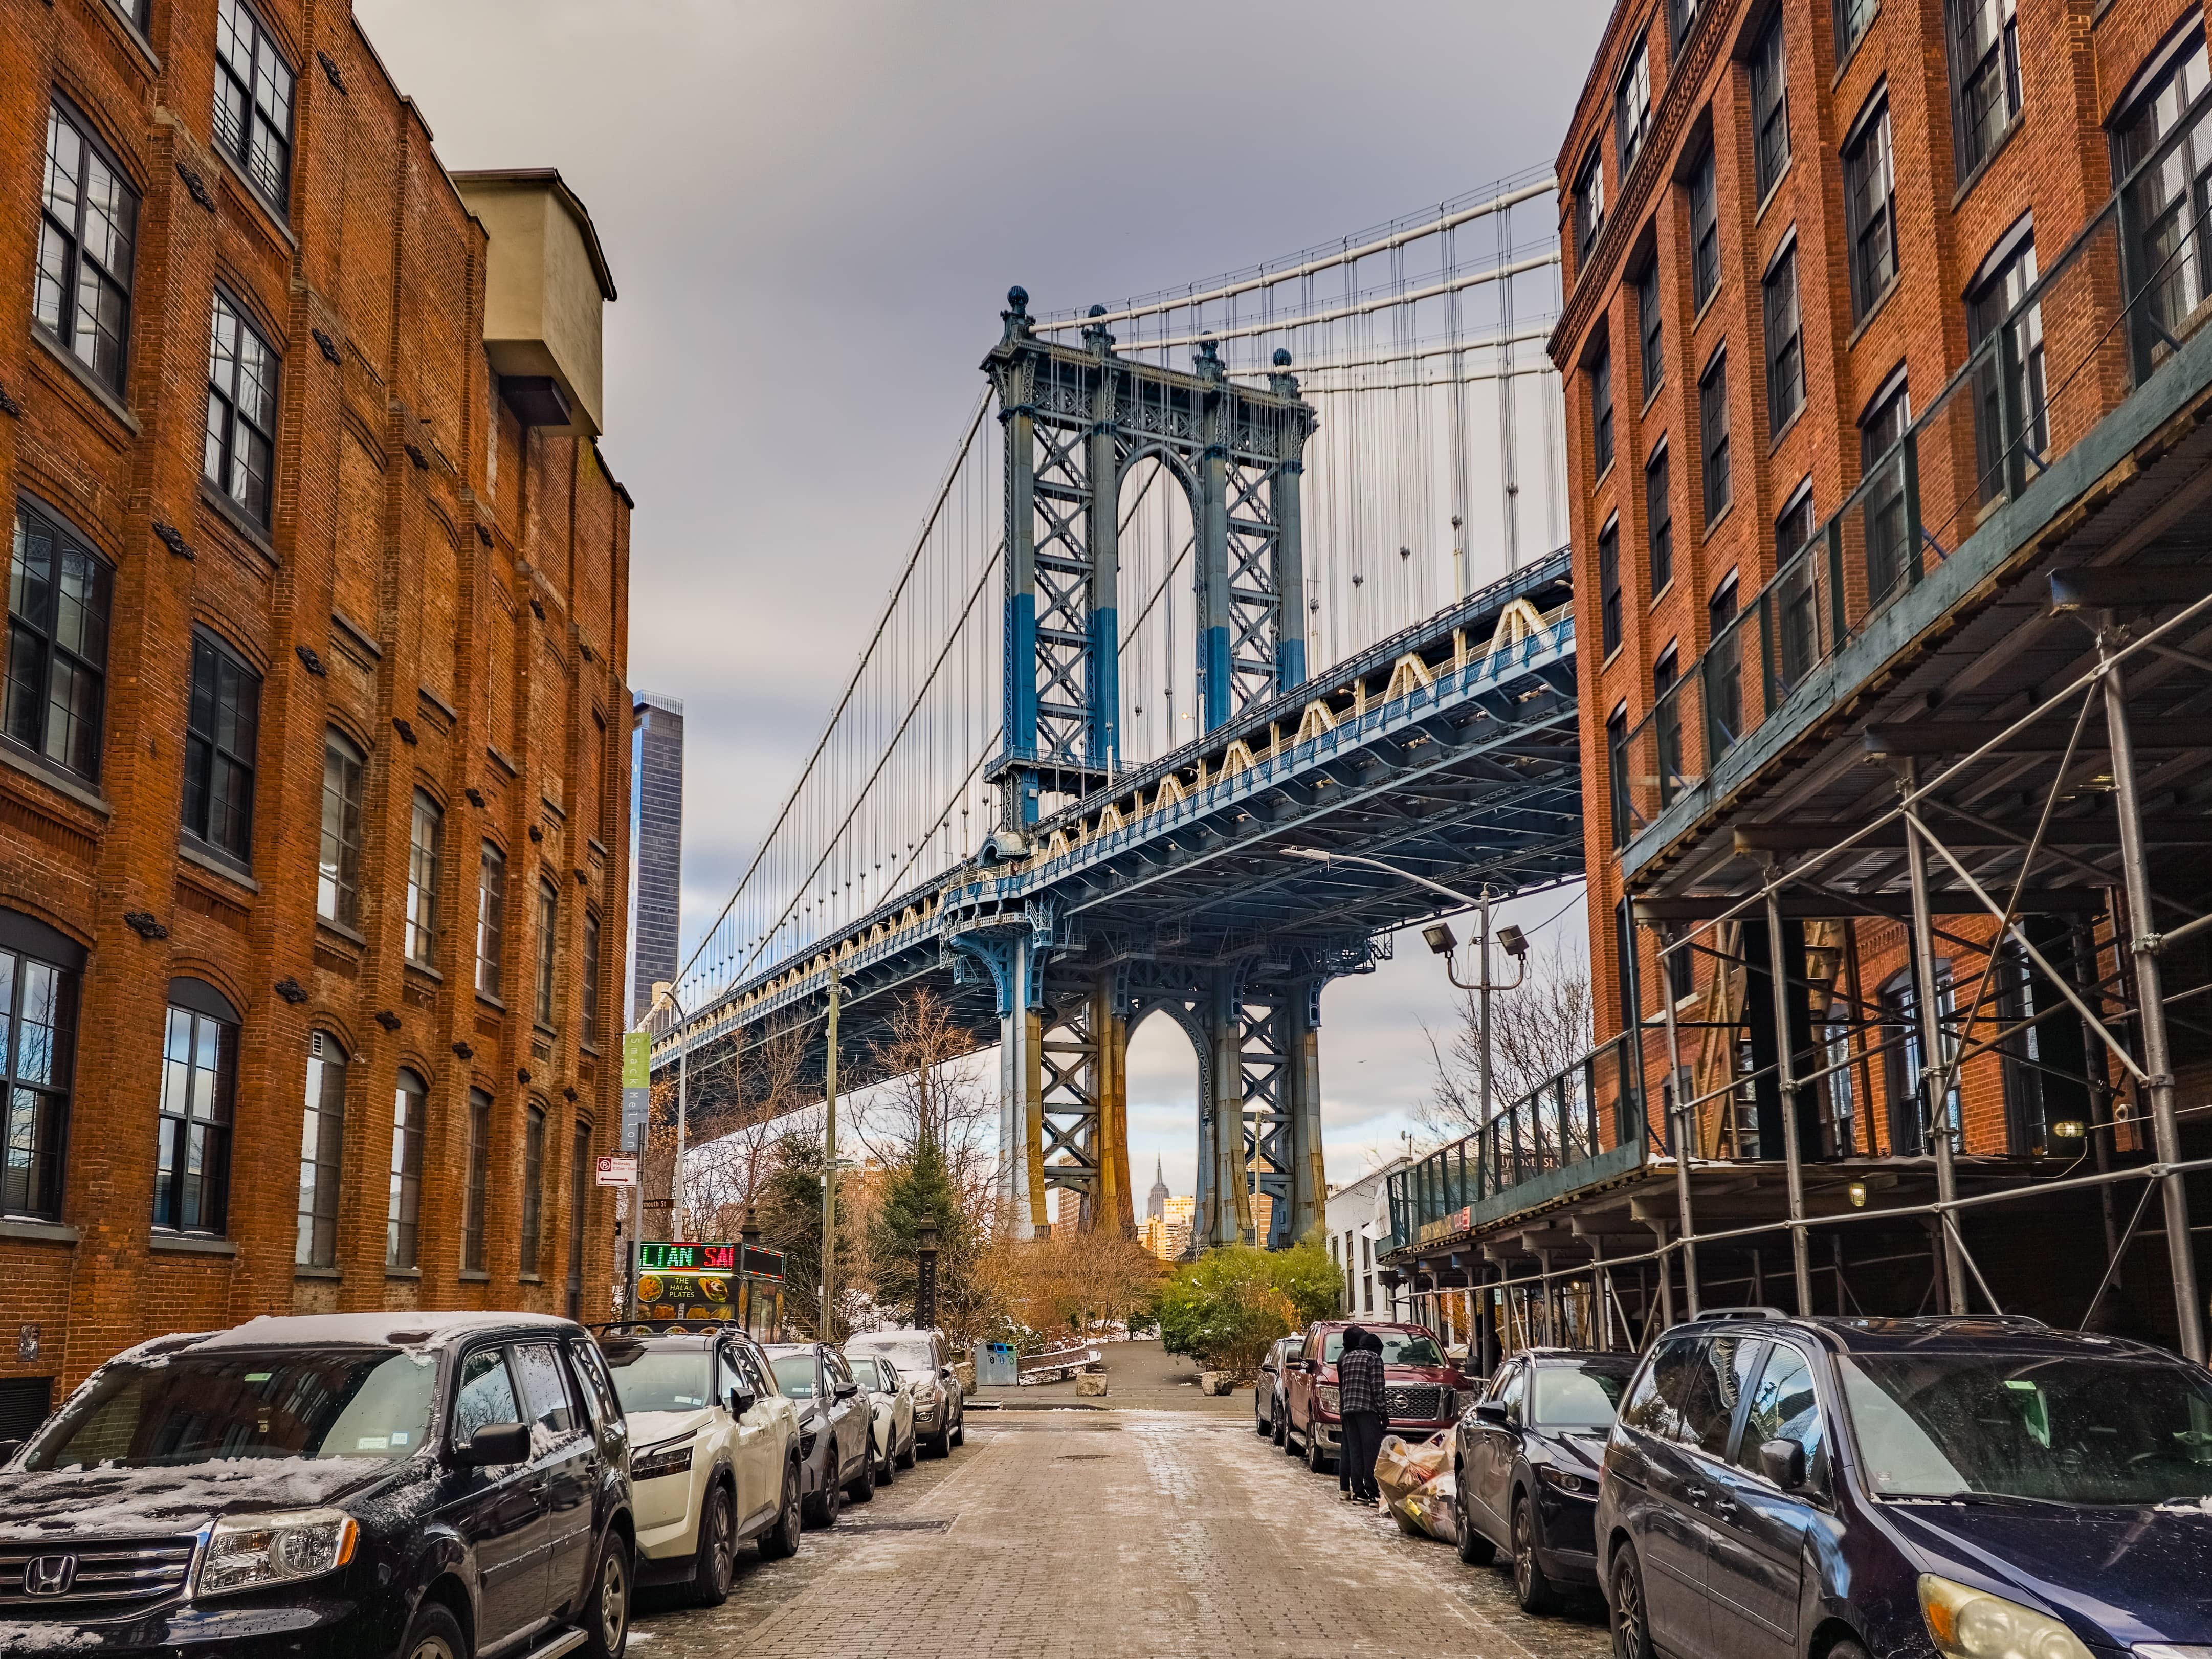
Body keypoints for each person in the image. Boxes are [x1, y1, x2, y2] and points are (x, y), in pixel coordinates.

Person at [1337, 1325, 1386, 1505]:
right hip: (1367, 1411)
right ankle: (1373, 1493)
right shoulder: (1374, 1359)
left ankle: (1358, 1492)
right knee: (1371, 1452)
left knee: (1355, 1451)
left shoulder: (1347, 1358)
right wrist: (1383, 1413)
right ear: (1377, 1349)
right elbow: (1378, 1389)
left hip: (1349, 1410)